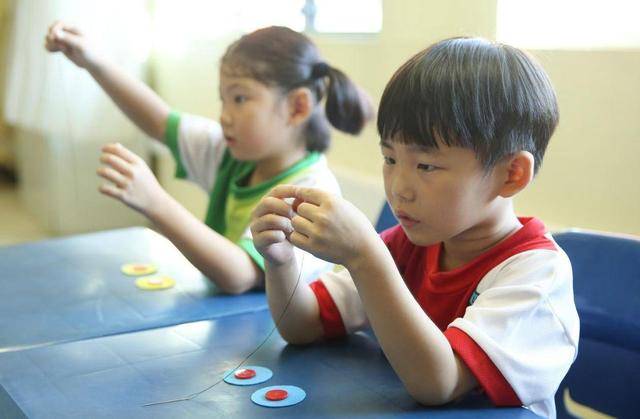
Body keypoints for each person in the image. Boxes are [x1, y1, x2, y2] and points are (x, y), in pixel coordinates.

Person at [251, 37, 579, 418]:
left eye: (426, 166)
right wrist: (280, 263)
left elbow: (439, 383)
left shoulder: (537, 276)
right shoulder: (408, 246)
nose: (398, 188)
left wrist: (365, 257)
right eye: (390, 158)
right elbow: (303, 326)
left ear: (511, 174)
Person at [44, 22, 373, 294]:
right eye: (223, 100)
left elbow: (241, 275)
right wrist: (94, 62)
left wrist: (156, 203)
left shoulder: (309, 193)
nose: (224, 116)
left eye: (239, 99)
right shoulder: (233, 153)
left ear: (297, 107)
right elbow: (158, 120)